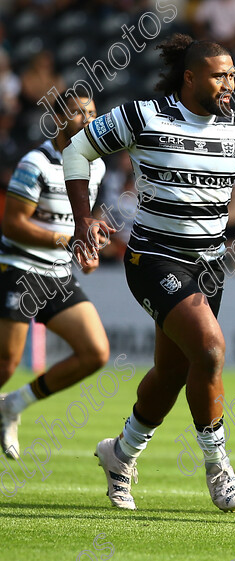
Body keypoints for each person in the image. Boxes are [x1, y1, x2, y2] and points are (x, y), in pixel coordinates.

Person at [62, 34, 235, 512]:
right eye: (219, 75)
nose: (230, 83)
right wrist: (84, 216)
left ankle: (120, 453)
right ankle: (218, 467)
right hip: (153, 259)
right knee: (210, 350)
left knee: (172, 373)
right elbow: (75, 151)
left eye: (232, 75)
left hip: (208, 266)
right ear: (190, 77)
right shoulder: (144, 116)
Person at [0, 89, 108, 459]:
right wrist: (67, 239)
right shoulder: (37, 162)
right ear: (60, 119)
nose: (88, 121)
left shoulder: (97, 165)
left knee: (95, 352)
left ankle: (13, 404)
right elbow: (12, 225)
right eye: (79, 113)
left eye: (92, 113)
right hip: (20, 267)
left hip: (59, 273)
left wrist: (88, 250)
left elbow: (83, 219)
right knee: (6, 363)